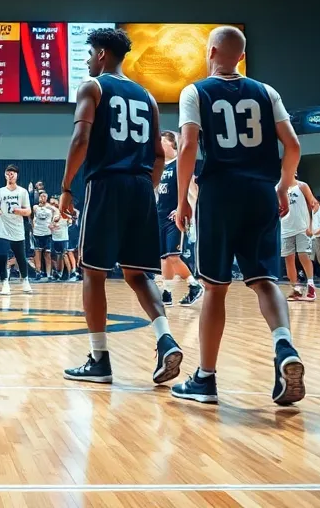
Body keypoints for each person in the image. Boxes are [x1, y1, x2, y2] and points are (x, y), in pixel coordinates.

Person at [170, 26, 306, 407]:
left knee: (215, 287)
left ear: (211, 50)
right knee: (265, 281)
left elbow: (188, 146)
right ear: (241, 56)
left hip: (220, 192)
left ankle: (206, 379)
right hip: (261, 191)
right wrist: (282, 186)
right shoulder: (267, 91)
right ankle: (284, 346)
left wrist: (182, 200)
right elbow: (293, 145)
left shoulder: (195, 91)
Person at [59, 28, 184, 387]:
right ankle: (165, 339)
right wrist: (148, 185)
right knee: (138, 274)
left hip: (107, 184)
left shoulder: (93, 87)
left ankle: (99, 359)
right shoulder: (149, 97)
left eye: (88, 55)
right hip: (143, 186)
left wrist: (67, 187)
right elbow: (160, 155)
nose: (85, 61)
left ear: (101, 55)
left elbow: (81, 139)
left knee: (92, 273)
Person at [155, 131, 204, 306]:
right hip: (160, 215)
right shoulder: (161, 166)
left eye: (162, 141)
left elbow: (193, 191)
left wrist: (181, 208)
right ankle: (167, 292)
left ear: (172, 144)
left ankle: (194, 286)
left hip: (175, 217)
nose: (159, 144)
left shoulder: (180, 164)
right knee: (164, 258)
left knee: (174, 257)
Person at [0, 165, 33, 295]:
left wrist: (19, 211)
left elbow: (28, 211)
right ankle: (5, 282)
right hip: (3, 230)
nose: (11, 175)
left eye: (13, 173)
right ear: (5, 175)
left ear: (17, 175)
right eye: (8, 173)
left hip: (18, 230)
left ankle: (25, 280)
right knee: (3, 256)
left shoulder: (22, 192)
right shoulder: (0, 192)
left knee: (21, 257)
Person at [281, 178, 319, 302]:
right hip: (286, 229)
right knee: (289, 259)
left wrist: (311, 225)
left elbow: (314, 204)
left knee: (303, 256)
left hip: (302, 228)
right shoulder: (278, 188)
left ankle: (311, 286)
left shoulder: (302, 186)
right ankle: (295, 288)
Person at [31, 190, 54, 280]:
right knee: (37, 253)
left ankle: (48, 274)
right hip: (37, 233)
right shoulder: (35, 207)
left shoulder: (50, 207)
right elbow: (32, 217)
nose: (42, 198)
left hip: (47, 233)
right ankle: (38, 272)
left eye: (44, 196)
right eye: (41, 196)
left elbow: (56, 212)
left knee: (47, 254)